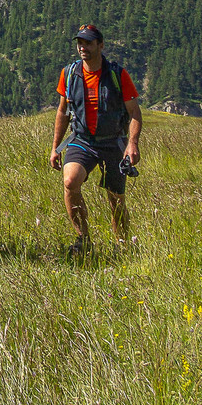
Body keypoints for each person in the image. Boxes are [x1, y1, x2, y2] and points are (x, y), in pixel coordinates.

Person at [50, 22, 142, 256]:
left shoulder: (117, 74)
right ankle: (83, 240)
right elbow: (62, 111)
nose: (83, 47)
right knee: (70, 182)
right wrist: (55, 148)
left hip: (113, 142)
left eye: (88, 43)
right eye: (80, 43)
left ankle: (123, 246)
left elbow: (134, 112)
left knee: (116, 198)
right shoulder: (69, 74)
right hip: (81, 140)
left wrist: (132, 144)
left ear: (100, 45)